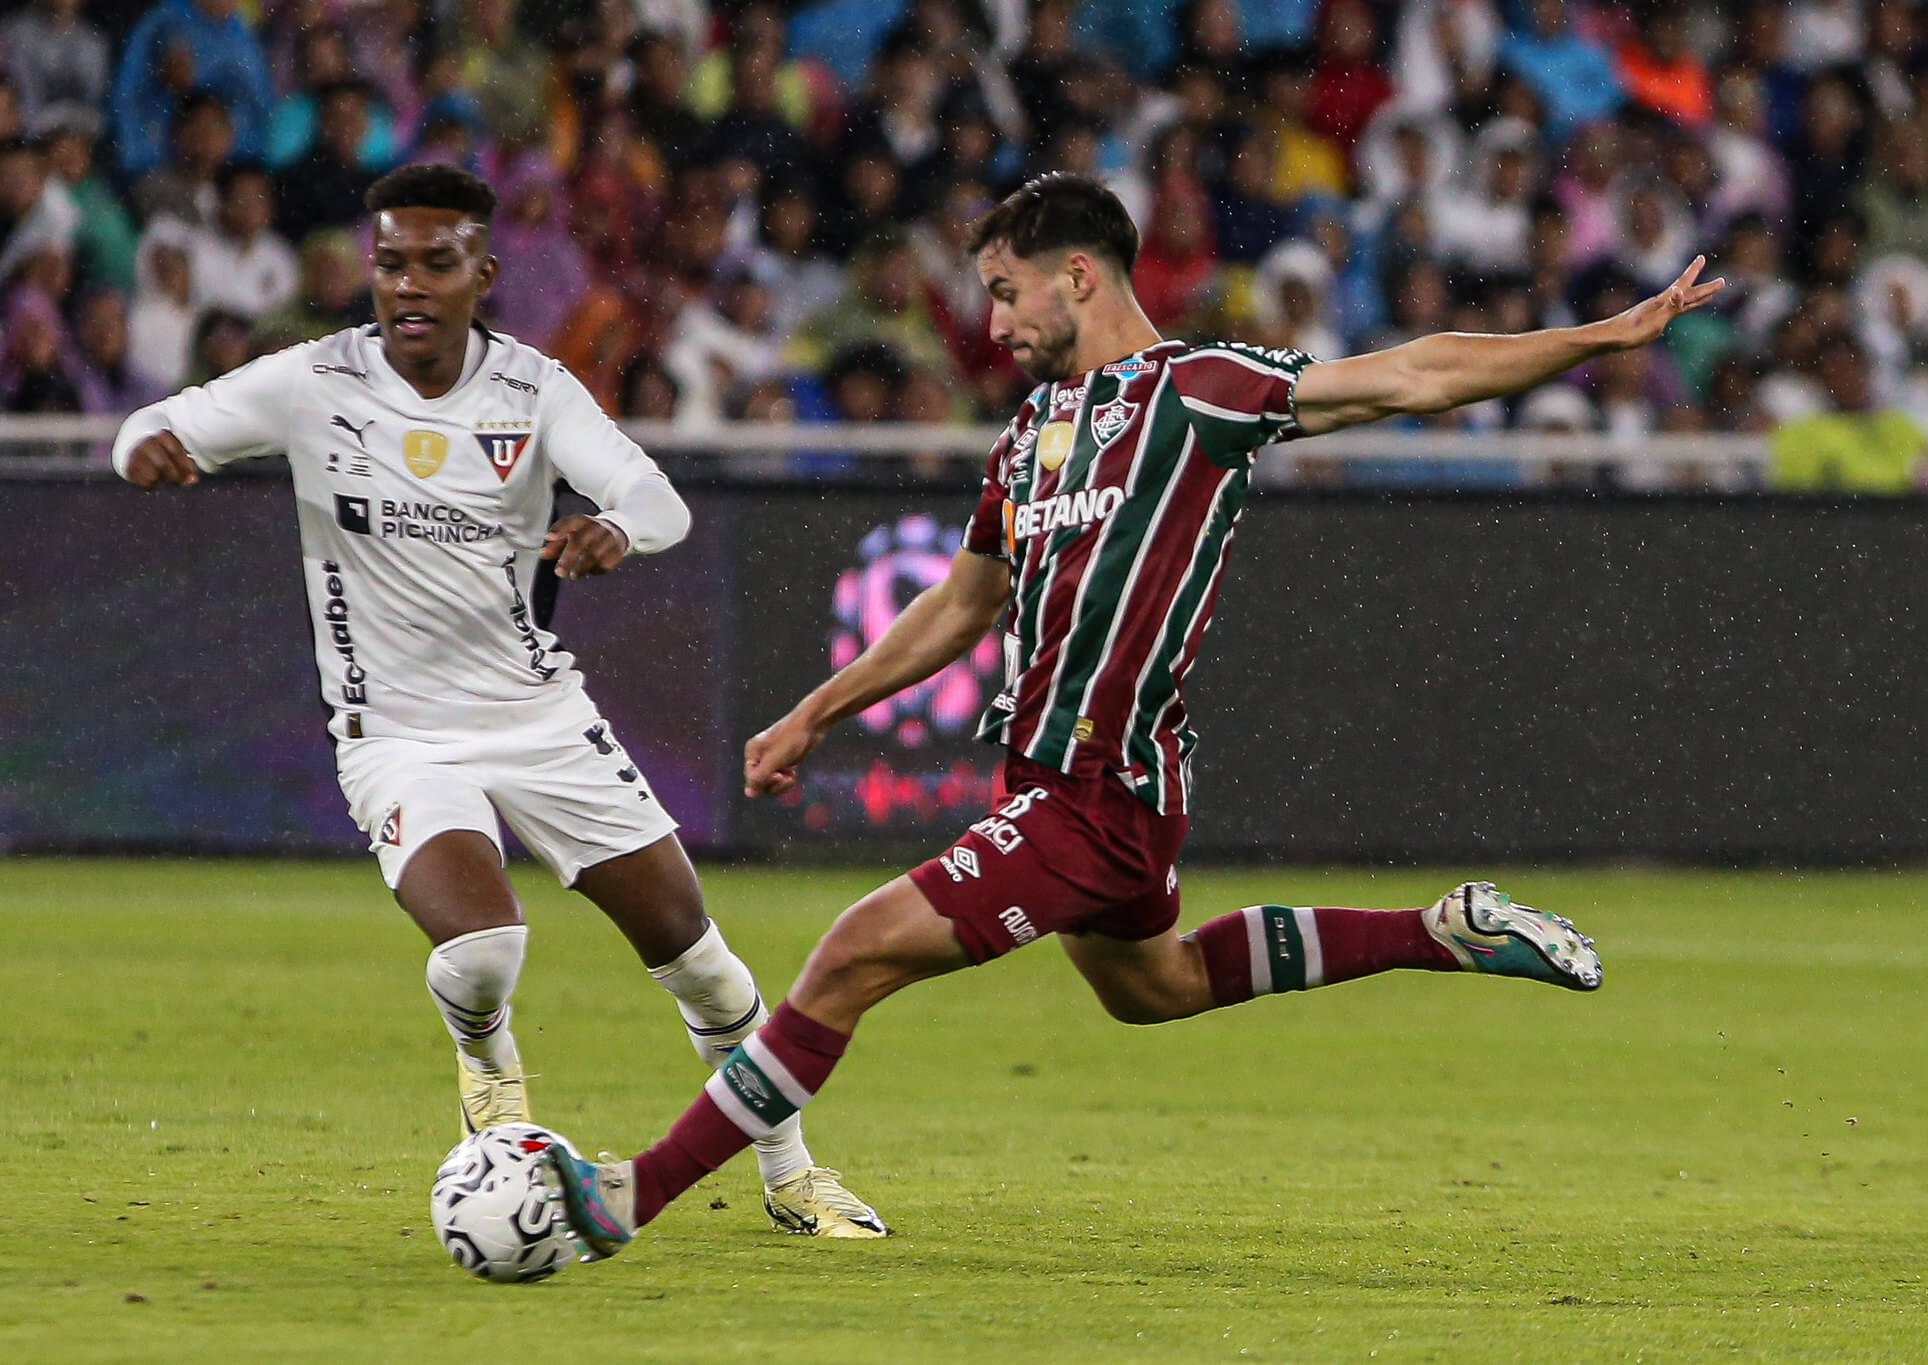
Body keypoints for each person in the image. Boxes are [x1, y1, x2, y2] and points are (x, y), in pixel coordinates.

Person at [547, 172, 1723, 1261]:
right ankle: (1440, 929)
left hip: (1095, 792)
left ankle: (626, 1199)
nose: (993, 323)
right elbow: (964, 601)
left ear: (1079, 275)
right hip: (1060, 784)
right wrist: (815, 709)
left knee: (850, 955)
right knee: (1149, 987)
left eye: (1006, 293)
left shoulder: (1199, 392)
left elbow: (1415, 373)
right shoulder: (1026, 438)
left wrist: (1593, 338)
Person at [111, 164, 887, 1239]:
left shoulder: (532, 390)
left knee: (703, 967)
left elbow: (651, 496)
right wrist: (144, 451)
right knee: (481, 952)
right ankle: (488, 1069)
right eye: (390, 263)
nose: (409, 285)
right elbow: (156, 425)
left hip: (539, 720)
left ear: (483, 272)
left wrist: (616, 527)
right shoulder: (313, 382)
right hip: (396, 736)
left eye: (436, 263)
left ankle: (792, 1177)